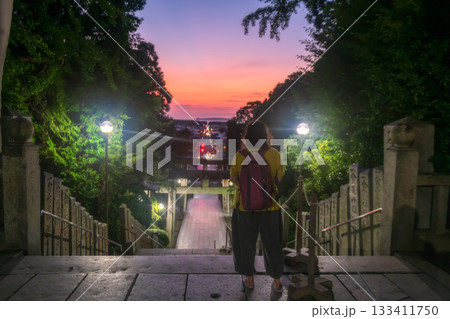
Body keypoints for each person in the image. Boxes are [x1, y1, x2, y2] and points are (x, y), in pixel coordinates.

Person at [230, 120, 285, 300]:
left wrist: (245, 188)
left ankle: (250, 280)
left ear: (247, 137)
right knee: (273, 244)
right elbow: (279, 177)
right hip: (270, 207)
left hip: (244, 207)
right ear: (265, 136)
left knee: (245, 244)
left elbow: (234, 178)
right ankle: (277, 282)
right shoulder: (274, 154)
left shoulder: (240, 155)